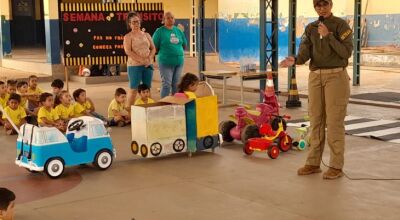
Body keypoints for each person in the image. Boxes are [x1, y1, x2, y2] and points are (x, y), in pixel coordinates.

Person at [280, 0, 352, 180]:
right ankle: (313, 163)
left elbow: (346, 53)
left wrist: (328, 36)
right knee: (316, 120)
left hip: (336, 76)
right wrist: (295, 60)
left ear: (331, 5)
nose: (321, 8)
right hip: (315, 77)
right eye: (317, 5)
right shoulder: (311, 28)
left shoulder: (341, 25)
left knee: (334, 122)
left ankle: (336, 166)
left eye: (324, 4)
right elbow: (305, 53)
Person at [123, 11, 156, 108]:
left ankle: (149, 110)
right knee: (133, 89)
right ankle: (129, 113)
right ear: (129, 24)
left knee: (147, 89)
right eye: (133, 22)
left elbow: (153, 48)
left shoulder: (147, 35)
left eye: (137, 21)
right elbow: (128, 51)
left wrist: (149, 58)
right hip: (134, 66)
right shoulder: (128, 37)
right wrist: (142, 60)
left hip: (147, 65)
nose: (136, 24)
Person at [153, 11, 188, 98]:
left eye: (172, 17)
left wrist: (177, 50)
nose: (170, 19)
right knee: (167, 84)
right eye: (168, 18)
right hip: (165, 62)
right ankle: (163, 105)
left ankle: (174, 105)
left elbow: (184, 45)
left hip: (179, 62)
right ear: (163, 20)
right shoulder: (159, 31)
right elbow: (154, 47)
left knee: (176, 85)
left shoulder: (178, 31)